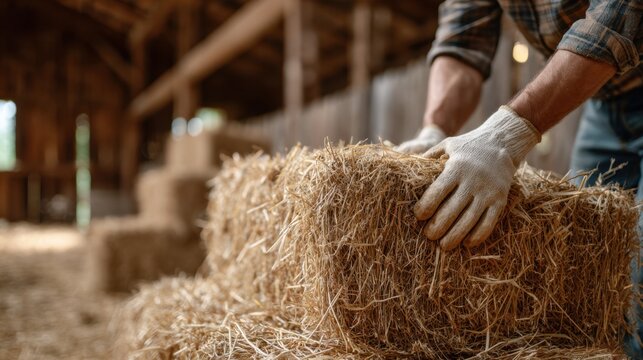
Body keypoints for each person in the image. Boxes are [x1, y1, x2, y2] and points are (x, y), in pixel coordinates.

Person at [396, 0, 642, 357]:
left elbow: (617, 16)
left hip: (613, 69)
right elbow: (462, 42)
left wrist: (506, 135)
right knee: (585, 286)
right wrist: (435, 128)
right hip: (608, 101)